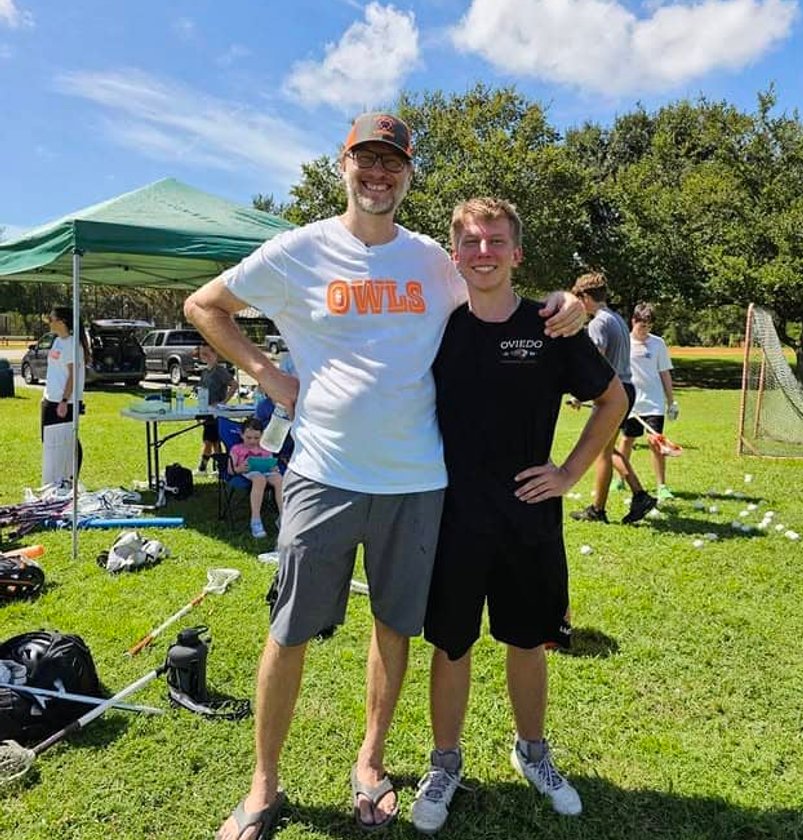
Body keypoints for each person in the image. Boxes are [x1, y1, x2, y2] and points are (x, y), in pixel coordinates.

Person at [183, 111, 585, 840]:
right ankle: (264, 784)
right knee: (289, 629)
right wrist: (269, 375)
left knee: (395, 626)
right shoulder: (300, 250)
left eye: (392, 163)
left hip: (418, 481)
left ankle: (371, 762)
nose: (378, 174)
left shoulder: (434, 259)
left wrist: (572, 303)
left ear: (408, 175)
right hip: (323, 475)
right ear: (344, 167)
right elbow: (204, 305)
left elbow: (498, 289)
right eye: (365, 161)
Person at [411, 198, 626, 833]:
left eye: (496, 241)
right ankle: (445, 762)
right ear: (455, 254)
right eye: (472, 242)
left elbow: (613, 399)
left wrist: (568, 474)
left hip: (530, 517)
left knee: (527, 640)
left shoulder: (551, 326)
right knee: (452, 644)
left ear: (516, 252)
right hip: (452, 515)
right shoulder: (438, 326)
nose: (483, 252)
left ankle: (533, 753)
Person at [568, 272, 658, 525]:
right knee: (606, 449)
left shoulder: (599, 323)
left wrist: (580, 393)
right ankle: (619, 501)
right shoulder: (616, 318)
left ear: (586, 297)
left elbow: (595, 360)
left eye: (578, 299)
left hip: (611, 392)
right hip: (625, 388)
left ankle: (619, 502)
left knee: (602, 452)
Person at [618, 303, 678, 501]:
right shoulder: (623, 342)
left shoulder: (658, 344)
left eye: (649, 327)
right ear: (633, 321)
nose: (645, 331)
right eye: (642, 326)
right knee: (627, 440)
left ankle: (662, 486)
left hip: (654, 403)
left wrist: (671, 401)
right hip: (631, 403)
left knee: (656, 442)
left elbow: (664, 372)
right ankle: (620, 478)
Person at [41, 305, 90, 481]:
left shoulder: (73, 345)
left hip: (64, 402)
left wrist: (63, 400)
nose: (50, 323)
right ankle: (55, 478)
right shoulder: (57, 341)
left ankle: (69, 477)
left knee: (67, 441)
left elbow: (73, 376)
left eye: (52, 319)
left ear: (62, 322)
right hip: (50, 399)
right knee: (50, 441)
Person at [228, 417, 284, 538]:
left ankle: (283, 517)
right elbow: (230, 470)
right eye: (248, 438)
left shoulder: (265, 448)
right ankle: (256, 520)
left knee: (279, 479)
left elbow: (272, 464)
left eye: (256, 438)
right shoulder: (237, 449)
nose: (253, 441)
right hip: (248, 471)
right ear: (241, 435)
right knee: (259, 479)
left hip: (266, 471)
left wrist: (274, 468)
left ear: (262, 436)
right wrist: (240, 468)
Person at [196, 343, 238, 474]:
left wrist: (223, 402)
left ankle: (205, 468)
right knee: (212, 441)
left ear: (215, 355)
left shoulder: (220, 370)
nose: (205, 357)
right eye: (202, 354)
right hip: (206, 411)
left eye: (207, 354)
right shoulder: (204, 372)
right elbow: (201, 390)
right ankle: (218, 468)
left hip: (216, 412)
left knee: (211, 440)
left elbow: (234, 385)